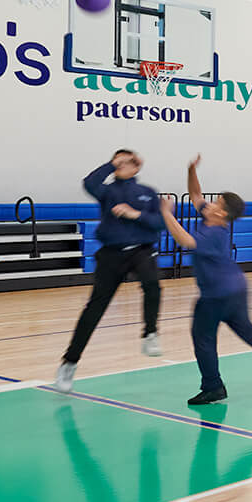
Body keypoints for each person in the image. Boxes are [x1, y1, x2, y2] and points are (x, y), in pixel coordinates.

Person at [158, 156, 252, 406]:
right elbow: (194, 194)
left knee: (203, 337)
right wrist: (191, 170)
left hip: (216, 294)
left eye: (217, 201)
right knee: (248, 331)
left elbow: (185, 241)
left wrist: (165, 214)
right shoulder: (211, 217)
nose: (211, 202)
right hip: (236, 288)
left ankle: (213, 386)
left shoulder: (215, 232)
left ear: (222, 212)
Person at [54, 149, 165, 391]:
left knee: (152, 285)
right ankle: (69, 363)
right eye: (118, 162)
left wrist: (134, 214)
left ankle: (150, 333)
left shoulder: (147, 193)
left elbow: (160, 223)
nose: (121, 166)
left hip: (142, 250)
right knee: (95, 308)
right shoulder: (108, 191)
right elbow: (89, 183)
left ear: (136, 166)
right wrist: (110, 164)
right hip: (112, 254)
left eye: (127, 162)